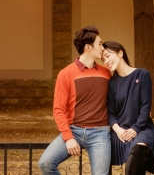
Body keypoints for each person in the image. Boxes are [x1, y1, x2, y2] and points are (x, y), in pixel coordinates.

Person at [39, 26, 111, 175]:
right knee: (45, 163)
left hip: (100, 133)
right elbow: (58, 110)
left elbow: (121, 98)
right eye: (100, 44)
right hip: (74, 131)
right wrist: (68, 137)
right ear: (88, 47)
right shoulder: (66, 74)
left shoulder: (106, 73)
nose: (103, 48)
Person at [102, 41, 154, 175]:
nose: (106, 61)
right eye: (103, 59)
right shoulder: (111, 83)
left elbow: (146, 107)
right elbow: (110, 112)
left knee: (139, 148)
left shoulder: (142, 75)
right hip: (119, 131)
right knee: (102, 149)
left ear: (120, 52)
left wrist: (135, 129)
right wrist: (118, 130)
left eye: (108, 56)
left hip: (142, 128)